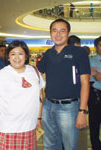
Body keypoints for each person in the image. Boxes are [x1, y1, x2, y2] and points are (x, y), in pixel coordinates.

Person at [37, 19, 91, 150]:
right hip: (48, 106)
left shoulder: (79, 52)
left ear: (68, 33)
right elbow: (36, 73)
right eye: (54, 30)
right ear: (50, 33)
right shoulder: (49, 53)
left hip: (70, 108)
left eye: (62, 30)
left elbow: (85, 83)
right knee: (50, 146)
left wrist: (82, 111)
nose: (58, 34)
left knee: (69, 147)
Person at [0, 40, 45, 149]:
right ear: (8, 57)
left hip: (29, 128)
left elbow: (40, 96)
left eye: (20, 54)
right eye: (13, 54)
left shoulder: (34, 72)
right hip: (7, 129)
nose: (17, 57)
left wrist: (39, 118)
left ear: (26, 56)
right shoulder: (1, 75)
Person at [88, 36, 101, 150]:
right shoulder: (90, 61)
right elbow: (89, 78)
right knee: (94, 125)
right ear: (96, 47)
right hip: (95, 96)